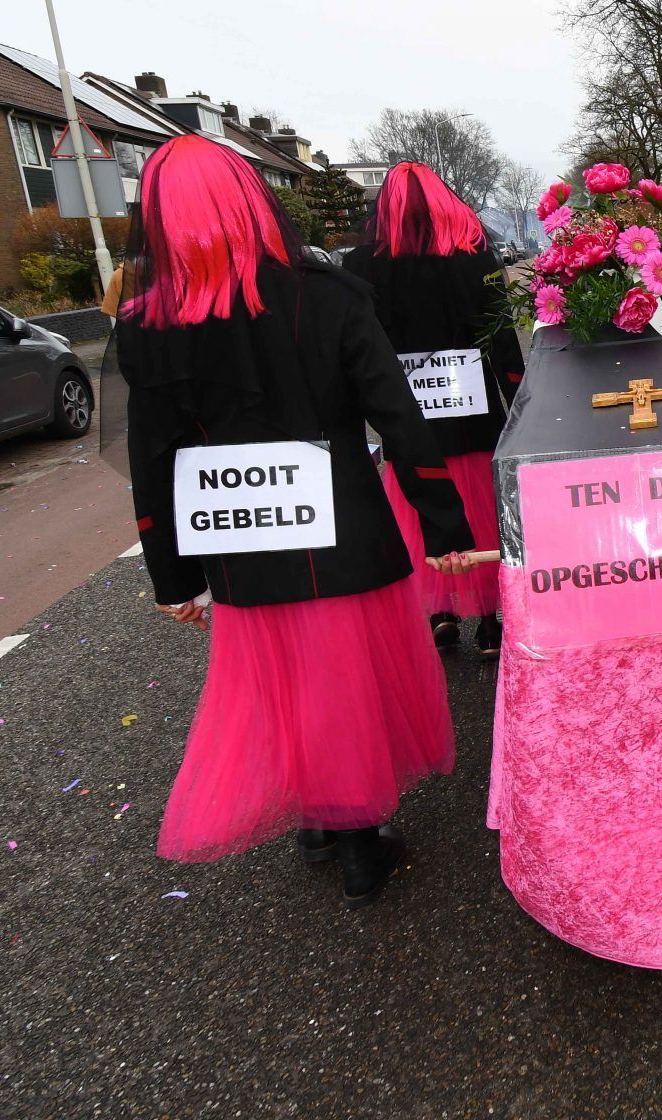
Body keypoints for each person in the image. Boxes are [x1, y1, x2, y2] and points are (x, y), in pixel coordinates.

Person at [116, 135, 482, 906]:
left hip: (240, 542)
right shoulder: (331, 296)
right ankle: (360, 845)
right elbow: (398, 416)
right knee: (344, 682)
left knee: (285, 686)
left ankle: (318, 820)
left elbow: (152, 458)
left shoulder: (146, 326)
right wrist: (444, 524)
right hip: (345, 531)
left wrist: (172, 577)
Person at [344, 161, 523, 655]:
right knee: (481, 513)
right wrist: (519, 401)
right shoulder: (474, 259)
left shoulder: (360, 266)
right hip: (473, 412)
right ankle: (489, 620)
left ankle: (438, 613)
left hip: (405, 414)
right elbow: (502, 340)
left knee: (418, 505)